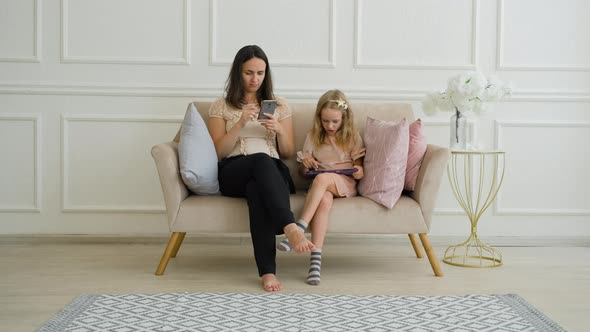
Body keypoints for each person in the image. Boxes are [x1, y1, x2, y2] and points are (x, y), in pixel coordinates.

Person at [208, 45, 315, 292]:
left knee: (258, 187)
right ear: (238, 73)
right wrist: (240, 124)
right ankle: (290, 227)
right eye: (248, 73)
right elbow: (218, 153)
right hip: (234, 170)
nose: (255, 79)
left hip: (273, 173)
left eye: (260, 73)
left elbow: (287, 152)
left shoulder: (279, 105)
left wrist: (278, 130)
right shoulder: (221, 106)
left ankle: (267, 272)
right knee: (259, 161)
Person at [277, 89, 365, 285]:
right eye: (325, 121)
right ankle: (315, 262)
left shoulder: (352, 137)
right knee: (324, 198)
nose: (330, 126)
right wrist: (305, 165)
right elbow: (302, 174)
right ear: (319, 118)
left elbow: (360, 168)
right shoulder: (314, 136)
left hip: (345, 183)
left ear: (344, 118)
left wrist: (359, 171)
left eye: (335, 121)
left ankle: (298, 229)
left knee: (324, 178)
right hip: (320, 185)